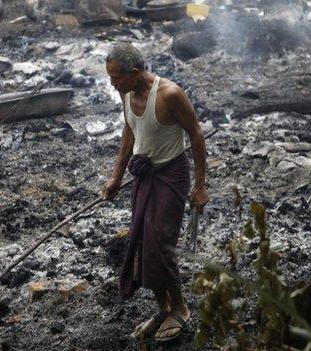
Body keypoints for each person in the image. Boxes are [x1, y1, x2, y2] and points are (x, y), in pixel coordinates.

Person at [102, 42, 209, 342]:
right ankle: (163, 308)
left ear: (134, 73)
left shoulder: (170, 95)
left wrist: (200, 186)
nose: (111, 84)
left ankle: (181, 309)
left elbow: (197, 136)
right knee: (142, 242)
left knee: (161, 245)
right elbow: (129, 130)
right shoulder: (126, 93)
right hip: (144, 176)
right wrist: (115, 176)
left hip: (171, 176)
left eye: (115, 78)